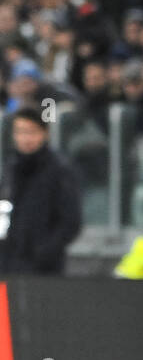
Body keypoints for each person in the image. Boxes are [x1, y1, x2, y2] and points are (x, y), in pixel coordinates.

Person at [0, 108, 82, 276]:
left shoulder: (60, 170)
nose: (25, 138)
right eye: (20, 132)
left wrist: (45, 252)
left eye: (31, 132)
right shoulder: (10, 168)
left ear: (44, 133)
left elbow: (71, 221)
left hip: (44, 269)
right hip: (8, 262)